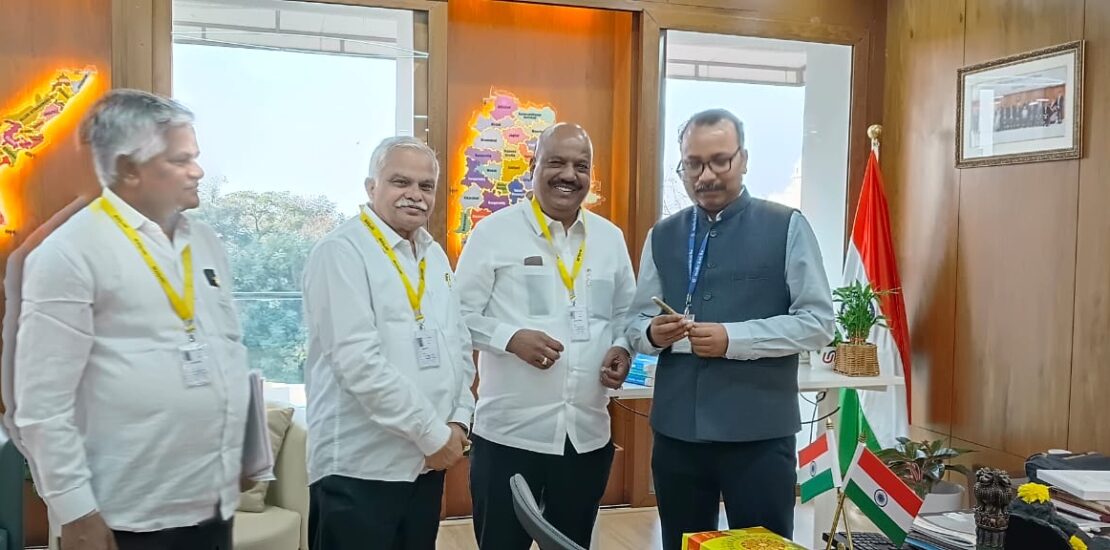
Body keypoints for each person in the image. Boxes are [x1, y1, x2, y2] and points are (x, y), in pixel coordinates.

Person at [3, 89, 249, 550]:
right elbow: (41, 406)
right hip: (128, 518)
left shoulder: (205, 242)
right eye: (180, 160)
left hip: (212, 506)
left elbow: (227, 351)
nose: (197, 171)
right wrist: (76, 512)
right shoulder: (69, 252)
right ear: (128, 169)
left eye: (195, 157)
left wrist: (245, 456)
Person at [627, 108, 835, 549]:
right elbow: (635, 322)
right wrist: (653, 334)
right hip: (677, 434)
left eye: (719, 161)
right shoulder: (663, 235)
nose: (706, 176)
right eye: (693, 164)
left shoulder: (786, 226)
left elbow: (818, 323)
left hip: (758, 435)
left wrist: (733, 339)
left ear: (743, 159)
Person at [454, 123, 636, 550]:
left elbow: (626, 315)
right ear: (533, 167)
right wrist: (509, 337)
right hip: (509, 438)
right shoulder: (493, 233)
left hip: (586, 437)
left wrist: (623, 349)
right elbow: (456, 316)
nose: (568, 174)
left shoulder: (609, 239)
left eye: (581, 166)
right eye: (556, 162)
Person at [302, 136, 475, 550]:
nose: (415, 194)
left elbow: (458, 344)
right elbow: (359, 364)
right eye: (401, 182)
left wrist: (459, 421)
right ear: (371, 187)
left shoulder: (433, 255)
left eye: (426, 185)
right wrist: (434, 436)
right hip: (360, 470)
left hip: (425, 467)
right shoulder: (341, 252)